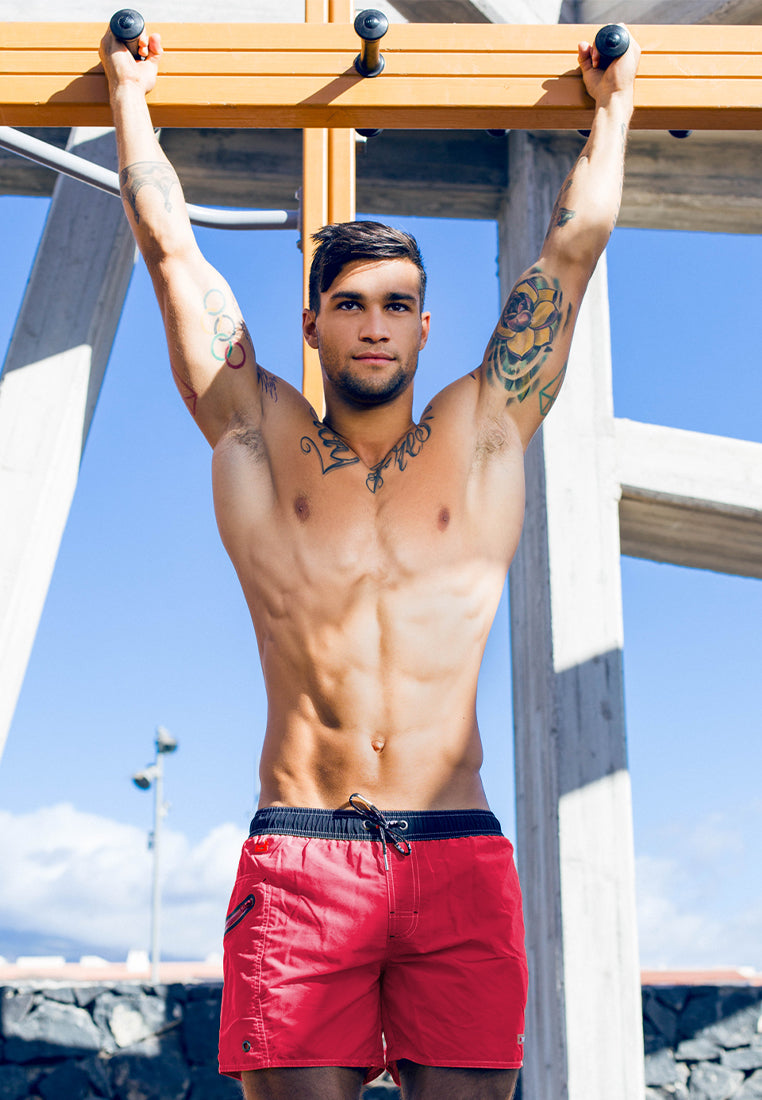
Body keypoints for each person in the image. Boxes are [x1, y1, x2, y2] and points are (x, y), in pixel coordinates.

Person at [100, 20, 639, 1100]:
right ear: (313, 324)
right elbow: (169, 247)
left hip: (459, 853)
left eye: (396, 304)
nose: (374, 325)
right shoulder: (257, 435)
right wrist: (130, 96)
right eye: (350, 304)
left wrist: (613, 110)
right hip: (305, 851)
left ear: (429, 326)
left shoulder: (484, 436)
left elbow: (571, 251)